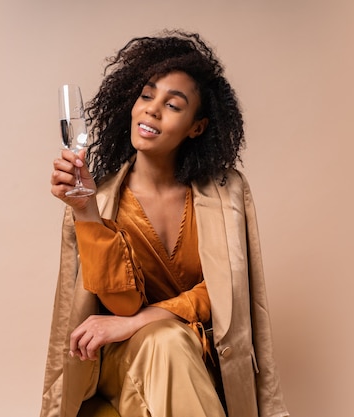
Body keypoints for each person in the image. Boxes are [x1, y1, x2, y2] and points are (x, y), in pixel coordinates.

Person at [41, 30, 289, 417]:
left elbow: (229, 290)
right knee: (165, 342)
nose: (151, 110)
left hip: (199, 356)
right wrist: (87, 213)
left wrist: (148, 319)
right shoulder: (101, 198)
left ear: (197, 126)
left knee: (170, 340)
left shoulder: (226, 194)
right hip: (121, 362)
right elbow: (121, 306)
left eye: (173, 105)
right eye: (146, 96)